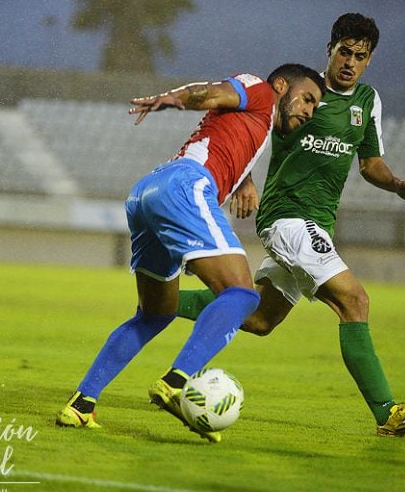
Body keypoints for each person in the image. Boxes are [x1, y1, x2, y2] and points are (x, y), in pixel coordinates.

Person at [178, 13, 405, 437]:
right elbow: (251, 125)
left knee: (259, 318)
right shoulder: (302, 91)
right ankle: (388, 413)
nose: (350, 62)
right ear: (330, 50)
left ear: (369, 61)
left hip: (317, 224)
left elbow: (369, 164)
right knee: (355, 301)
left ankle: (162, 302)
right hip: (288, 218)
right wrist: (243, 179)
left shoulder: (368, 102)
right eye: (344, 52)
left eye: (360, 56)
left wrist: (398, 185)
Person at [56, 64, 325, 443]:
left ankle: (81, 404)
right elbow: (212, 93)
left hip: (147, 193)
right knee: (242, 294)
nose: (309, 111)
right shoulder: (262, 91)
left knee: (155, 313)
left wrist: (244, 178)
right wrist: (177, 98)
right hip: (185, 186)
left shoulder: (257, 123)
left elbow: (222, 132)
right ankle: (177, 382)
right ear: (282, 86)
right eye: (308, 99)